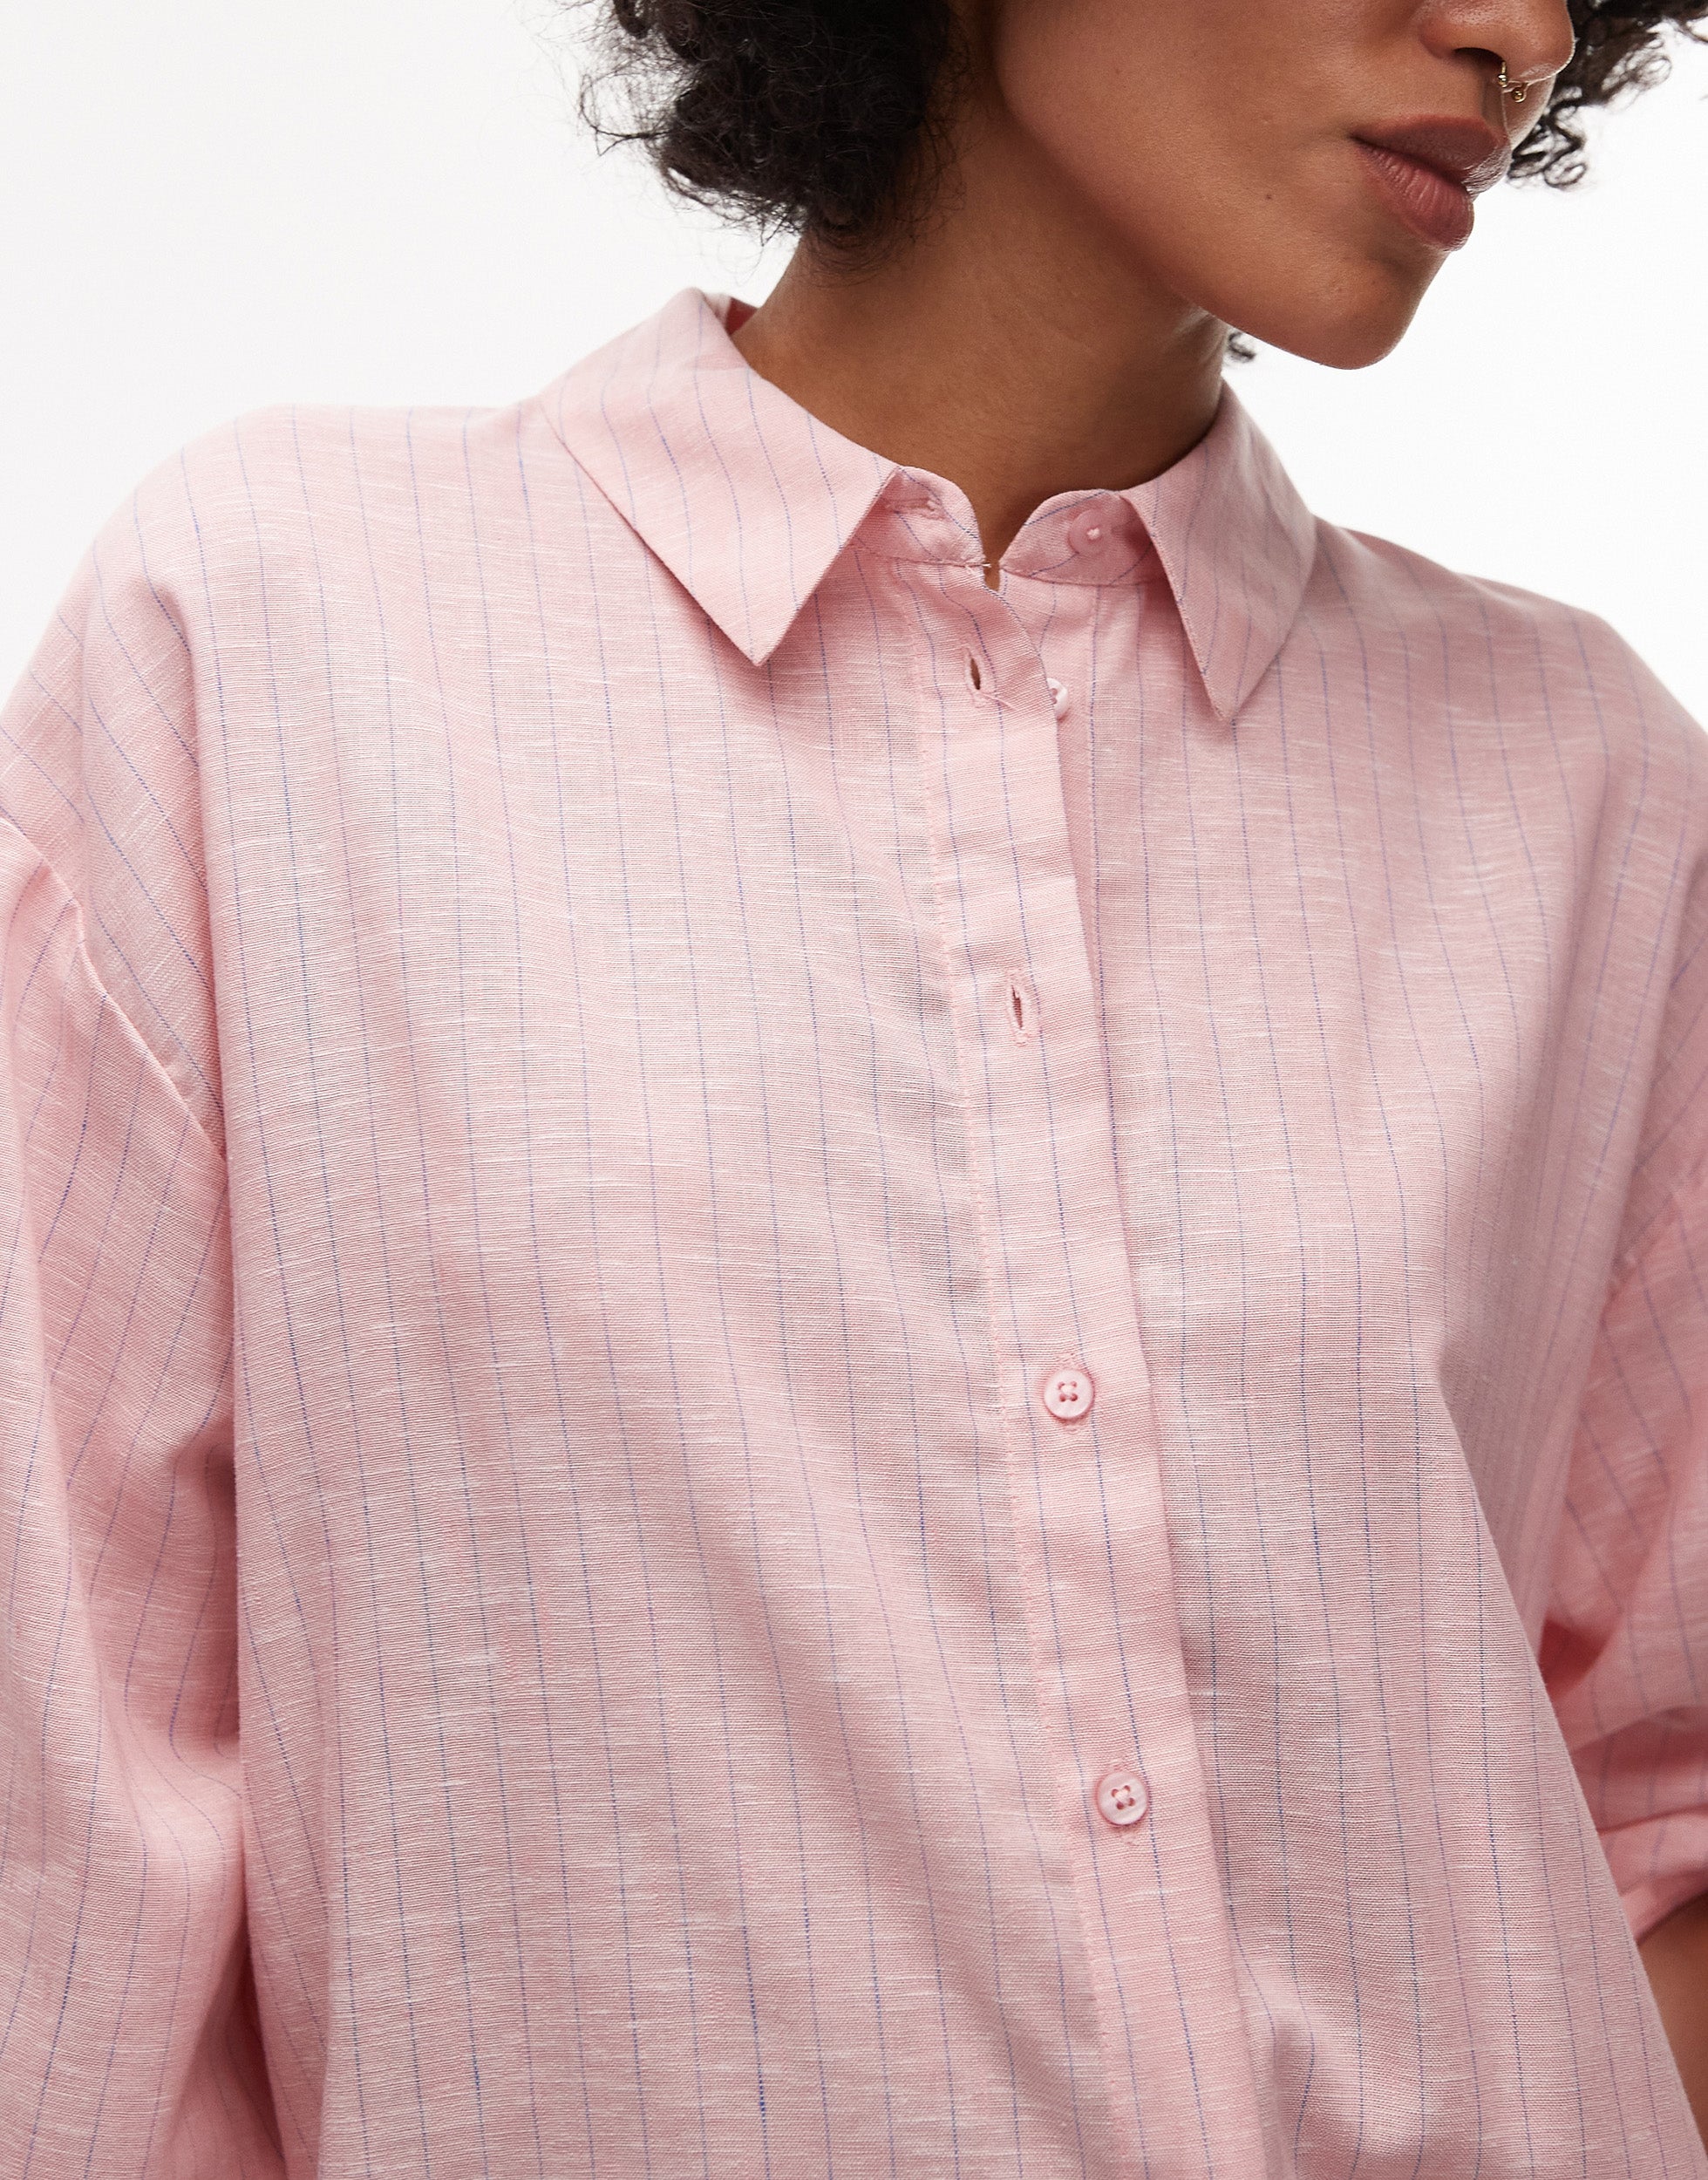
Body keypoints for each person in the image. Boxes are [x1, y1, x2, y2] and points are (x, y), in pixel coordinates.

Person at [3, 0, 1708, 2171]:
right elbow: (67, 1934)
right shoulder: (260, 653)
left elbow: (1664, 1821)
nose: (1520, 28)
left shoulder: (1588, 796)